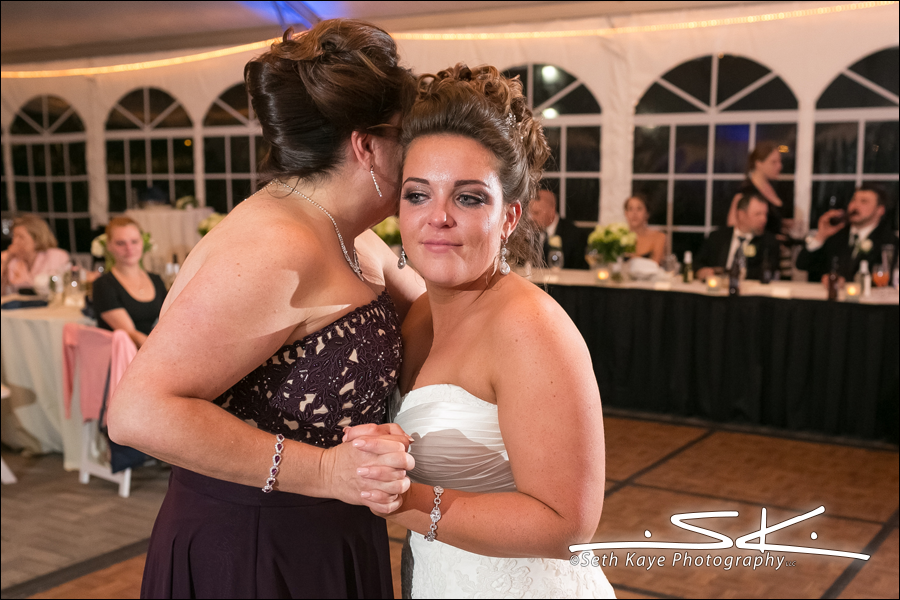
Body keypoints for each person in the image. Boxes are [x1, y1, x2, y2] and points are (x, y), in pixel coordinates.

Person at [108, 20, 424, 599]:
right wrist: (327, 472)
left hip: (330, 529)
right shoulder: (276, 246)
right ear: (367, 146)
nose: (418, 151)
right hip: (255, 548)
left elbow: (432, 315)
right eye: (409, 135)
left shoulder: (348, 232)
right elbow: (137, 413)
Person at [354, 64, 614, 598]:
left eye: (469, 197)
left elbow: (567, 525)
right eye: (418, 194)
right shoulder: (418, 314)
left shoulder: (529, 327)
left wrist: (402, 499)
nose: (439, 217)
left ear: (510, 216)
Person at [796, 184, 898, 283]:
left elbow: (888, 278)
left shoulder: (890, 242)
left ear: (880, 210)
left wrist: (846, 283)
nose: (855, 206)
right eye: (853, 200)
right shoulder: (836, 235)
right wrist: (821, 236)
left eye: (864, 201)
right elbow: (802, 265)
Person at [91, 218, 166, 349]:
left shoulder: (156, 280)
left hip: (156, 351)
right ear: (109, 246)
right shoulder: (103, 285)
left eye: (134, 241)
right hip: (127, 359)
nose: (129, 248)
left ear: (143, 242)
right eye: (120, 243)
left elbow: (169, 322)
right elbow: (131, 335)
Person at [695, 193, 780, 281]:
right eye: (758, 214)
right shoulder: (717, 237)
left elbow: (768, 271)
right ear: (741, 215)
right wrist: (701, 271)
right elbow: (697, 263)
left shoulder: (769, 242)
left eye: (765, 214)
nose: (764, 219)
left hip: (751, 292)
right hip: (716, 289)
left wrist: (735, 274)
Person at [0, 214, 70, 295]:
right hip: (20, 306)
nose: (15, 242)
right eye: (14, 237)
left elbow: (60, 288)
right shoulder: (7, 258)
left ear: (36, 239)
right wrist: (6, 262)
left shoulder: (56, 256)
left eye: (21, 237)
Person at [530, 188, 589, 269]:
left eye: (536, 213)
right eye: (530, 213)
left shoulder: (575, 235)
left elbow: (580, 271)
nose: (532, 218)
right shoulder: (527, 234)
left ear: (552, 210)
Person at [623, 194, 665, 264]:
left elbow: (655, 265)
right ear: (626, 213)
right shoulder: (619, 238)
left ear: (647, 214)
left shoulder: (658, 237)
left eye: (639, 209)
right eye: (630, 209)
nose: (634, 213)